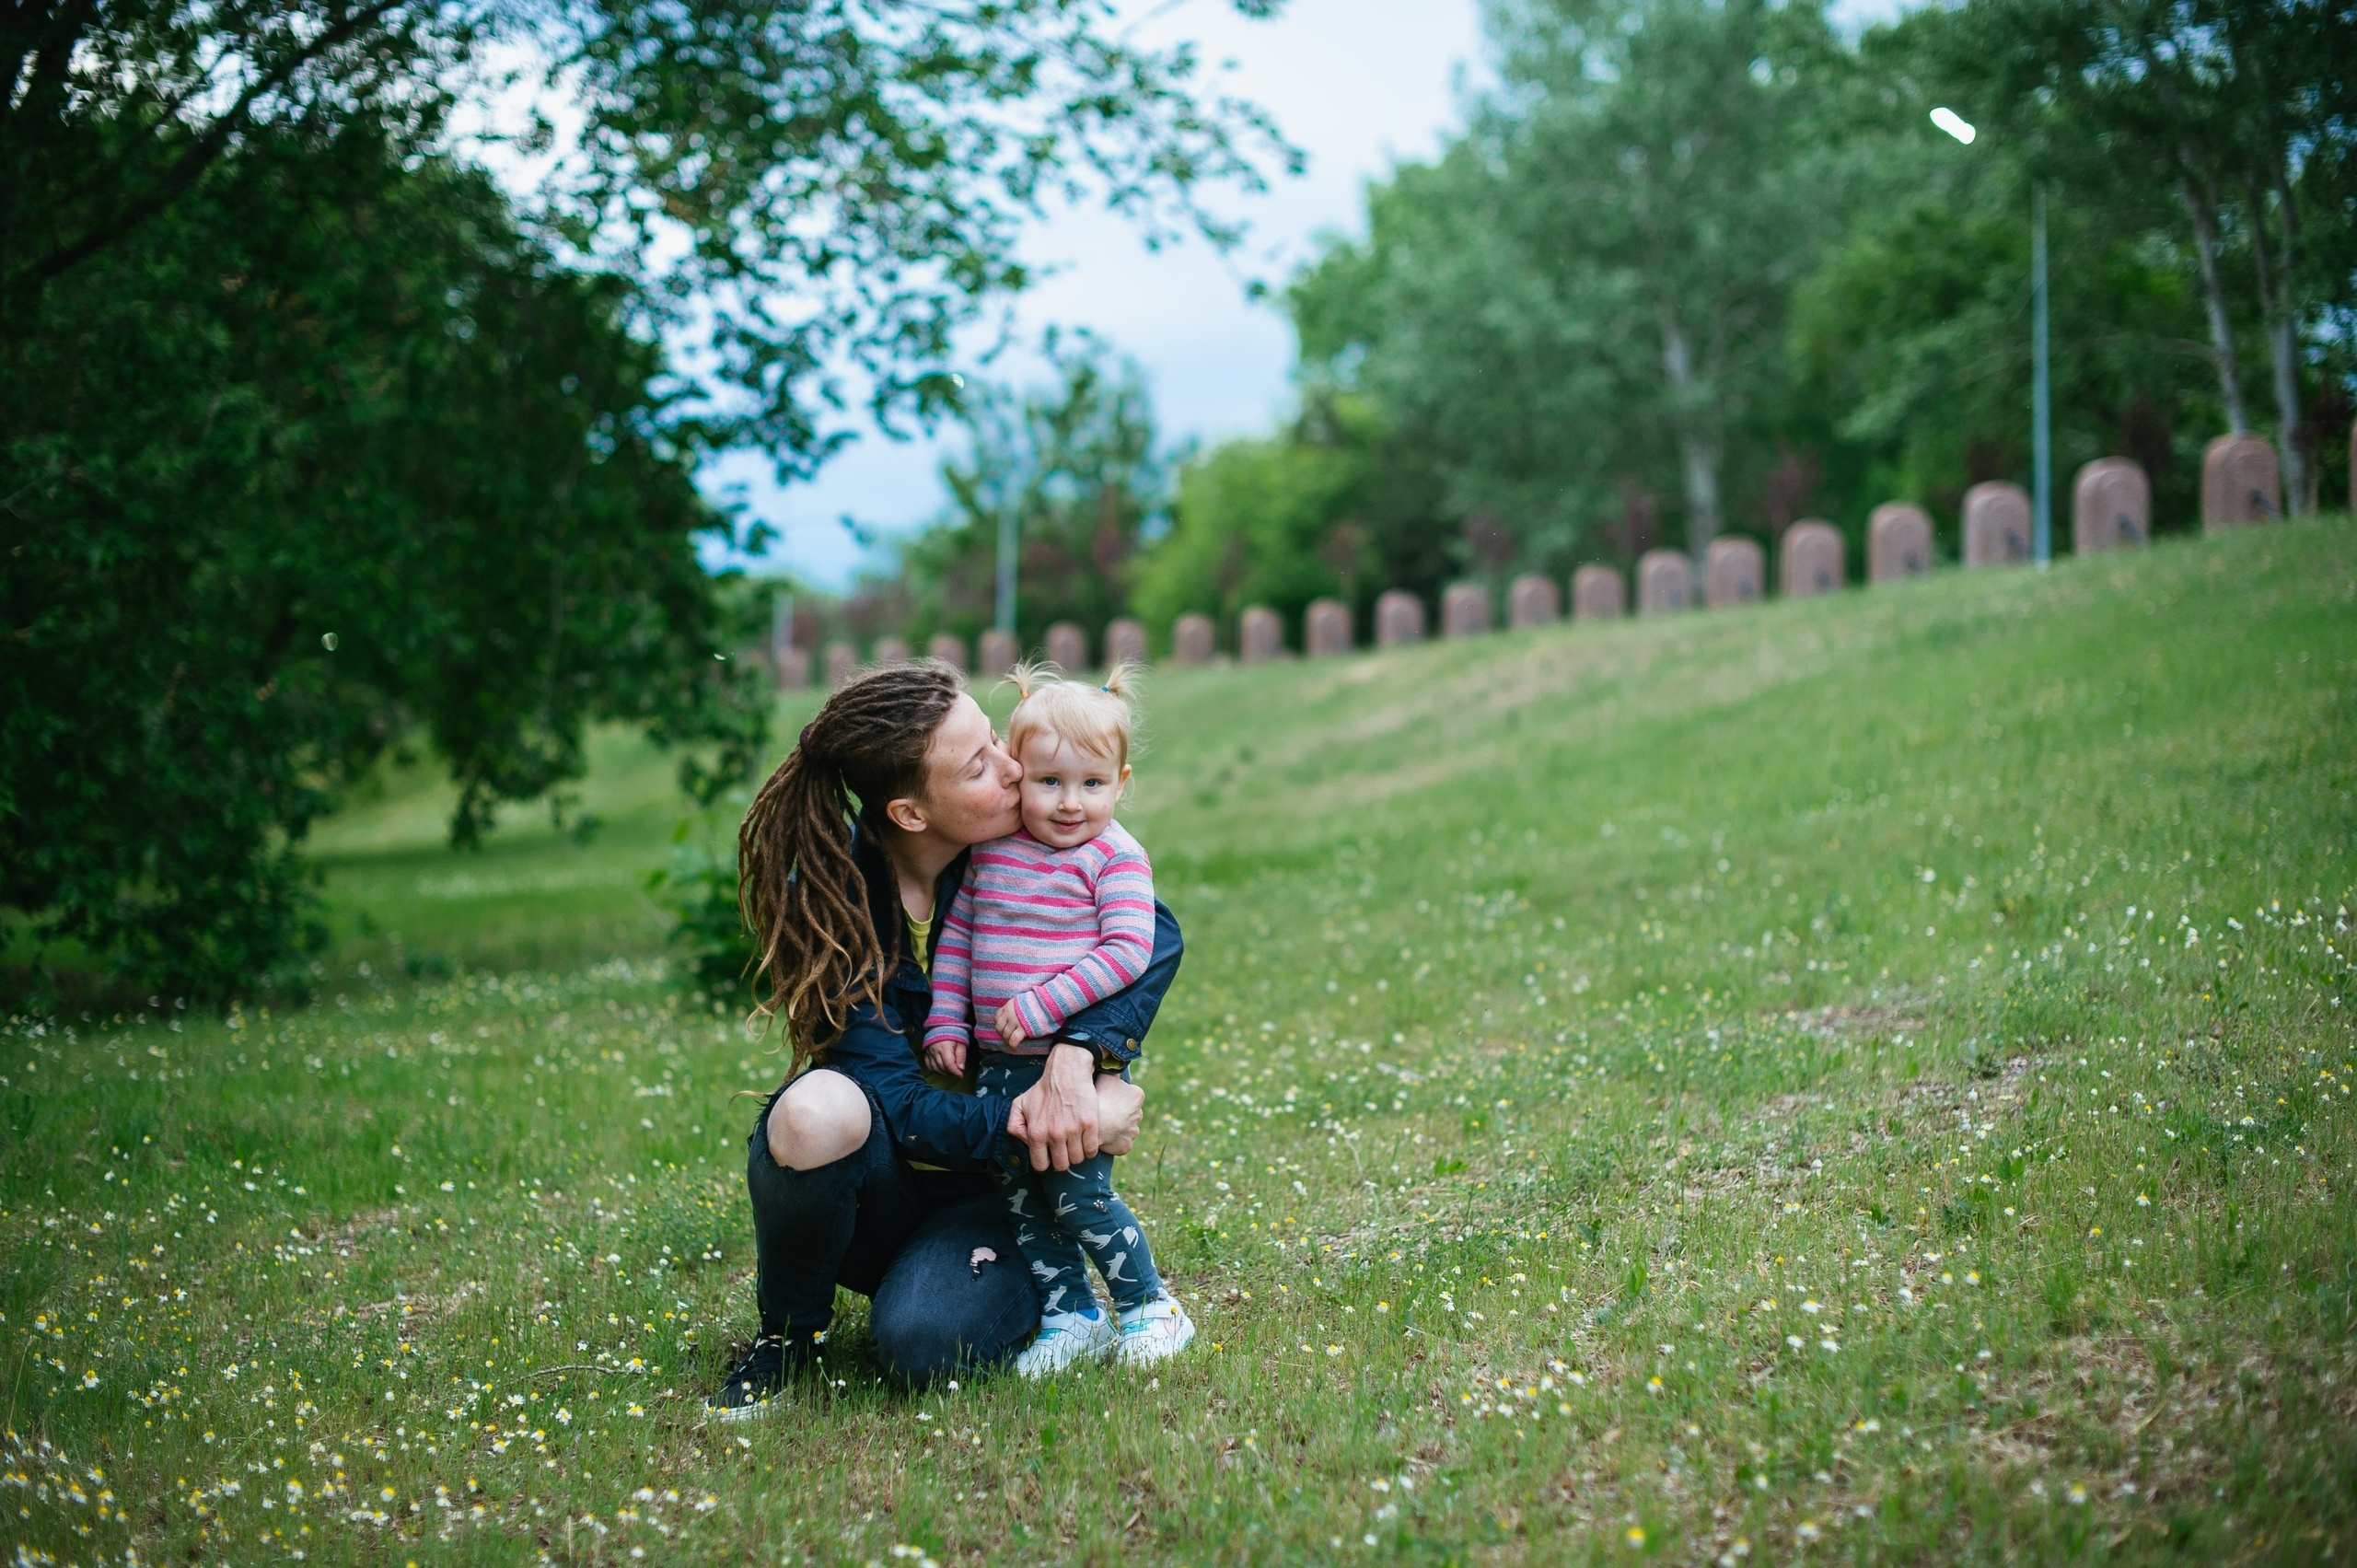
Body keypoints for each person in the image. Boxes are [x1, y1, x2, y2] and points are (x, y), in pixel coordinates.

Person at [704, 658, 1183, 1418]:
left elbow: (1152, 933)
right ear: (911, 813)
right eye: (979, 764)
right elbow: (894, 1100)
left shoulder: (1025, 847)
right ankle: (785, 1340)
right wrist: (1051, 1119)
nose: (1014, 765)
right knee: (814, 1108)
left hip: (998, 1192)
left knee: (922, 1347)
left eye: (996, 740)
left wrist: (1081, 1052)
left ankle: (1007, 1290)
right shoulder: (834, 903)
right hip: (888, 1185)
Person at [923, 664, 1193, 1376]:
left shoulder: (1116, 857)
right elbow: (959, 937)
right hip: (996, 1064)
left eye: (1091, 784)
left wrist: (1047, 1005)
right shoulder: (992, 853)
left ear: (1121, 780)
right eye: (1049, 782)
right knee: (1022, 1201)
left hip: (1066, 1063)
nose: (1070, 803)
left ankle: (1149, 1306)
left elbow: (1131, 948)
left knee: (1078, 1195)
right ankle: (1071, 1314)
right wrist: (947, 1018)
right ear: (1018, 774)